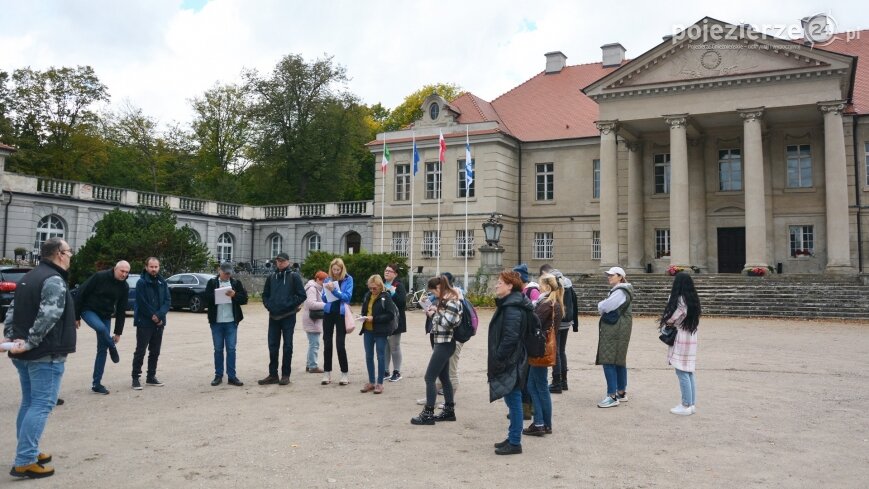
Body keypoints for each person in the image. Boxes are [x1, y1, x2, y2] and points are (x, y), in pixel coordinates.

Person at [4, 237, 77, 479]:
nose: (70, 256)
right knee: (42, 404)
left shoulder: (29, 277)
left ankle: (29, 451)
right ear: (58, 253)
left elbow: (12, 311)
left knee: (29, 403)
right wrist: (30, 343)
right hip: (45, 354)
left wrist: (13, 340)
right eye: (68, 252)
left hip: (26, 352)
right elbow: (49, 316)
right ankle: (25, 459)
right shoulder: (53, 279)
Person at [488, 270, 532, 455]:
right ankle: (512, 437)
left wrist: (499, 358)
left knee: (514, 400)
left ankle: (515, 442)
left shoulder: (513, 307)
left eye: (500, 282)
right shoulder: (509, 304)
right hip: (510, 359)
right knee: (511, 399)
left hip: (510, 361)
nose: (496, 285)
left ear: (510, 286)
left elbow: (510, 338)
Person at [411, 276, 462, 425]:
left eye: (434, 291)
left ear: (440, 288)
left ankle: (428, 413)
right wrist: (435, 309)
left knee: (429, 378)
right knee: (444, 378)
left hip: (445, 343)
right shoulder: (447, 300)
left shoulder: (452, 300)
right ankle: (449, 410)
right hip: (442, 343)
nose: (434, 295)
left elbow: (448, 323)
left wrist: (433, 314)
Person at [74, 260, 130, 395]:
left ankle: (97, 384)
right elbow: (81, 292)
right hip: (89, 310)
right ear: (115, 269)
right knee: (101, 329)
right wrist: (76, 316)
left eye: (127, 272)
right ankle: (112, 346)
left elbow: (121, 310)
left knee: (102, 349)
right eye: (122, 271)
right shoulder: (100, 277)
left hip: (105, 315)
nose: (124, 274)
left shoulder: (124, 286)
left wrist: (118, 332)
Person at [524, 273, 563, 436]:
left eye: (540, 285)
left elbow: (533, 322)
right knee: (539, 386)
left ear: (546, 286)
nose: (538, 288)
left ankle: (540, 423)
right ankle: (545, 424)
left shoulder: (546, 303)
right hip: (545, 348)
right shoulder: (555, 302)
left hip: (539, 348)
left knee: (536, 386)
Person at [259, 252, 306, 386]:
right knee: (273, 346)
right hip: (273, 316)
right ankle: (273, 374)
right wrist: (269, 306)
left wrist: (289, 305)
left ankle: (285, 375)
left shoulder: (294, 276)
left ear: (288, 262)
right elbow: (265, 295)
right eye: (278, 261)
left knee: (287, 346)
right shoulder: (271, 276)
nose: (280, 263)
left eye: (282, 261)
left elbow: (302, 295)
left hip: (288, 317)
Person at [659, 272, 701, 416]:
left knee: (681, 371)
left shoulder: (680, 299)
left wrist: (667, 322)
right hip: (691, 336)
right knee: (688, 371)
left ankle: (685, 404)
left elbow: (675, 316)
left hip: (681, 337)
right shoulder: (692, 298)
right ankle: (691, 403)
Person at [595, 266, 634, 408]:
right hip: (620, 327)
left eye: (612, 275)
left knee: (609, 359)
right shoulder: (623, 290)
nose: (609, 277)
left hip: (615, 328)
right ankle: (621, 392)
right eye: (609, 275)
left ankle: (612, 396)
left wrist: (600, 305)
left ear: (620, 277)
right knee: (619, 359)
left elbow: (607, 306)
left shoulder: (620, 291)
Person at [205, 262, 249, 387]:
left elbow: (244, 299)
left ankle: (232, 376)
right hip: (216, 321)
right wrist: (217, 295)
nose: (227, 275)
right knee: (218, 349)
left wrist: (234, 295)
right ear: (220, 271)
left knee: (231, 349)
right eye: (225, 273)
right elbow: (206, 297)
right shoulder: (212, 283)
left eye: (229, 273)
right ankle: (218, 375)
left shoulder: (236, 283)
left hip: (231, 321)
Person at [131, 257, 171, 390]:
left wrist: (159, 315)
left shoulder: (162, 282)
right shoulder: (141, 283)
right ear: (146, 267)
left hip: (159, 322)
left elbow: (167, 301)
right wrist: (152, 315)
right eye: (151, 267)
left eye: (156, 267)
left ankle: (151, 377)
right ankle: (135, 377)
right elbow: (141, 303)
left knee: (155, 351)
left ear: (159, 267)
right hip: (144, 322)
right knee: (140, 351)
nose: (154, 269)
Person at [538, 265, 578, 394]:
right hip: (567, 320)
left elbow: (551, 302)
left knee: (555, 351)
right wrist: (575, 323)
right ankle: (564, 381)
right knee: (562, 351)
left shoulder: (554, 282)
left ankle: (556, 383)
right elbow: (574, 301)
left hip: (557, 320)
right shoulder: (567, 282)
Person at [358, 275, 396, 394]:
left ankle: (379, 383)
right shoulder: (367, 295)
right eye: (370, 288)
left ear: (380, 286)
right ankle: (371, 382)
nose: (372, 290)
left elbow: (390, 315)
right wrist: (362, 317)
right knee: (369, 356)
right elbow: (365, 310)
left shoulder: (386, 297)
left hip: (380, 331)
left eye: (374, 288)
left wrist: (374, 318)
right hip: (368, 330)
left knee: (380, 356)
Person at [321, 257, 353, 386]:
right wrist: (326, 292)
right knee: (327, 344)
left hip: (341, 314)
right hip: (328, 313)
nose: (335, 272)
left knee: (340, 344)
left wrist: (334, 290)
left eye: (338, 270)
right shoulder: (328, 279)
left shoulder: (348, 279)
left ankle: (344, 373)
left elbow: (347, 297)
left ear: (342, 269)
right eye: (333, 269)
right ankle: (326, 372)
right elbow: (323, 299)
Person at [381, 263, 406, 382]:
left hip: (396, 320)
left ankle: (397, 371)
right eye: (386, 270)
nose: (386, 272)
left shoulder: (398, 285)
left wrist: (393, 292)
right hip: (384, 319)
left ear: (395, 274)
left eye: (390, 271)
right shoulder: (381, 284)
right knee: (385, 346)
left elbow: (402, 303)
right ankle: (385, 371)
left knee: (394, 346)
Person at [302, 271, 327, 374]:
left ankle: (309, 364)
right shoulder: (312, 288)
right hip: (312, 319)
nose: (324, 283)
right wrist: (326, 305)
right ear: (318, 279)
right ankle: (313, 366)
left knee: (312, 343)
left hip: (313, 318)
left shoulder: (314, 287)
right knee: (314, 343)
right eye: (323, 281)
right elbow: (311, 304)